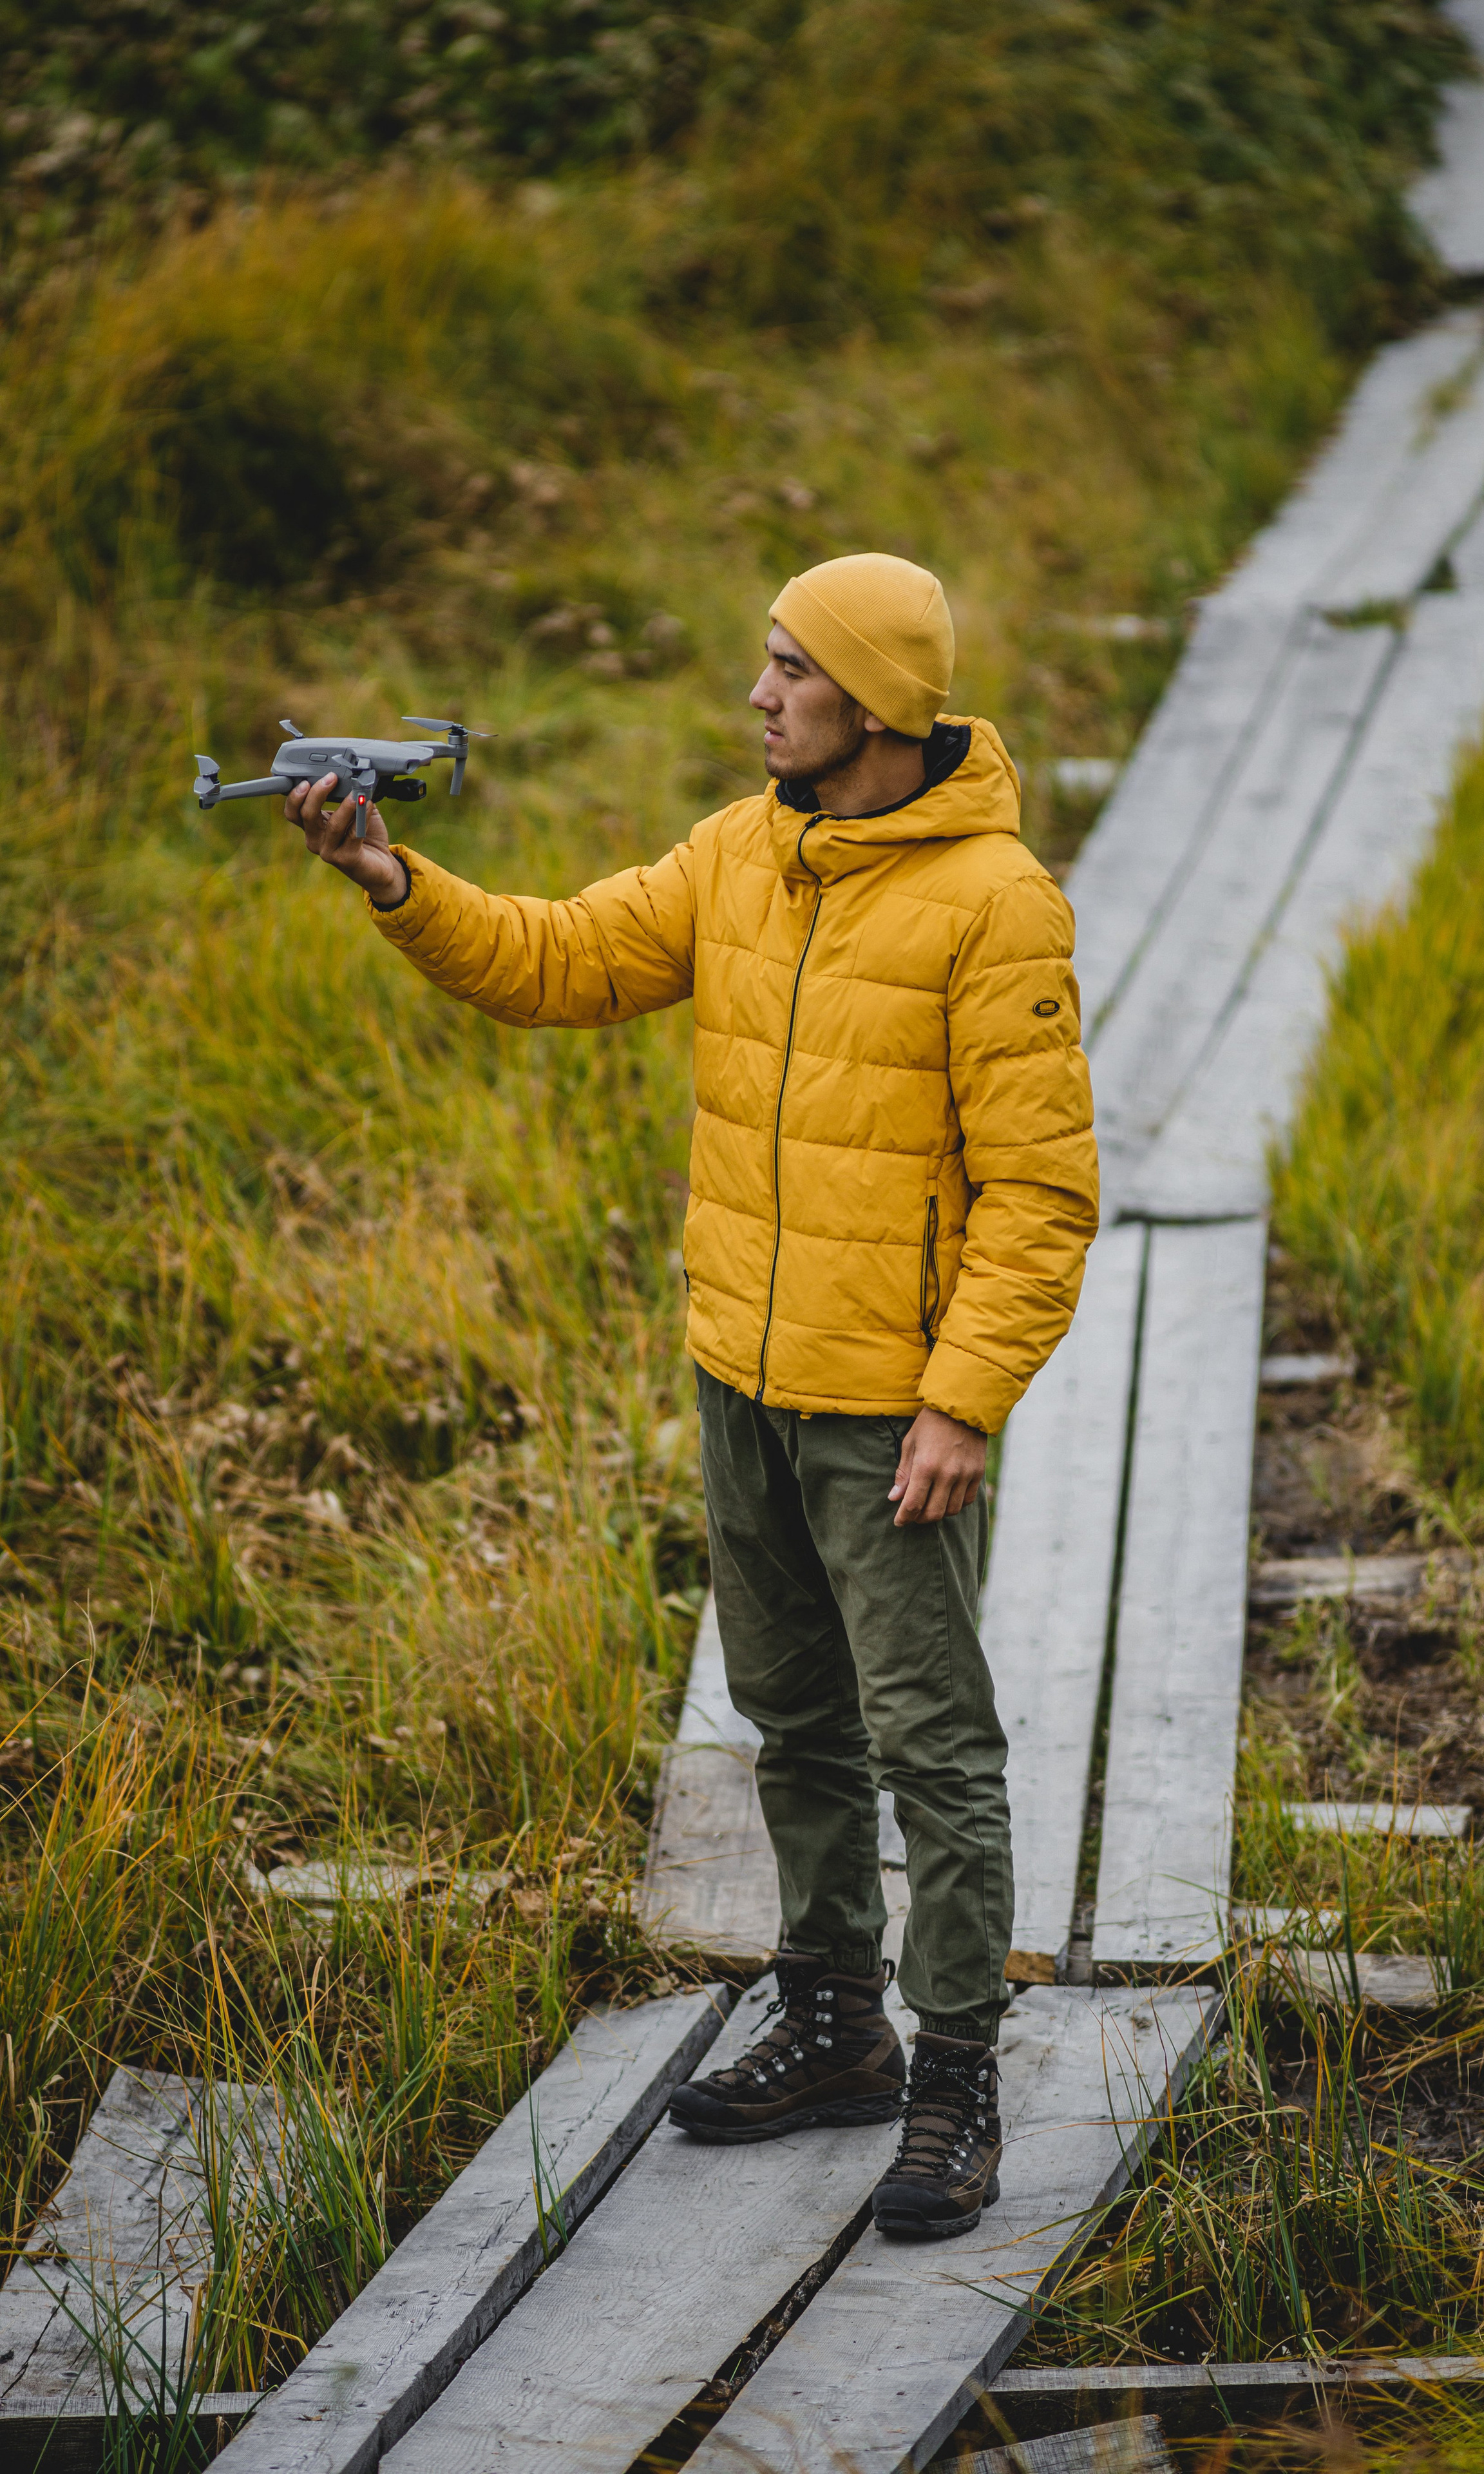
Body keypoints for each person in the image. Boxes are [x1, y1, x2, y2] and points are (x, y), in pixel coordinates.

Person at [285, 553, 1099, 2239]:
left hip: (890, 1414)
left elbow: (1041, 1192)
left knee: (933, 1750)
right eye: (765, 663)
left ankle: (954, 2083)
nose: (759, 694)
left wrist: (960, 1403)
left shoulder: (995, 899)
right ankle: (833, 2025)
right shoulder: (742, 855)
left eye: (789, 670)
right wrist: (392, 879)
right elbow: (560, 959)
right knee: (794, 1724)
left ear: (871, 703)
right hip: (742, 1378)